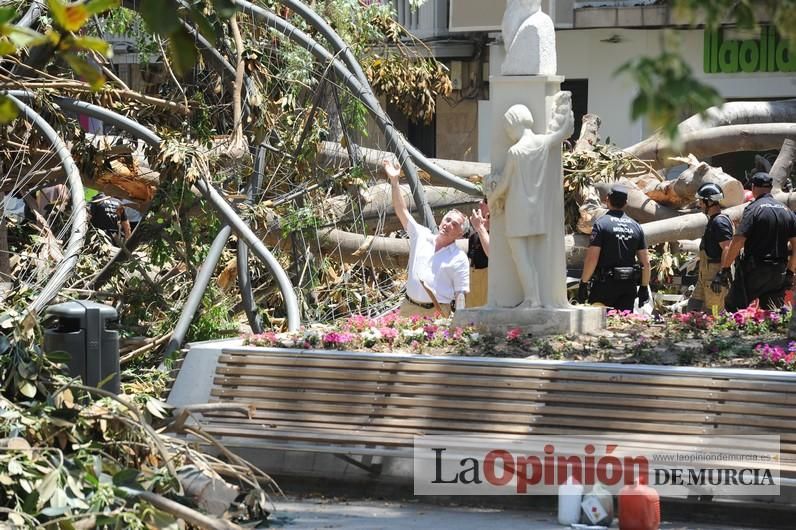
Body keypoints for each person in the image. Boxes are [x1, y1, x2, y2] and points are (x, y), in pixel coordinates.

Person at [485, 93, 573, 308]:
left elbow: (505, 184)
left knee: (521, 256)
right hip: (536, 211)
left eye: (507, 127)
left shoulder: (515, 151)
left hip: (516, 209)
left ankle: (532, 298)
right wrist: (565, 105)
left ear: (514, 123)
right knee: (533, 256)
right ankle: (536, 297)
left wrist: (491, 198)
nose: (507, 131)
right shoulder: (542, 143)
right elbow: (564, 132)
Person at [384, 160, 469, 317]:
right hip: (408, 308)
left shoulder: (459, 257)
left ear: (460, 234)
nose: (448, 225)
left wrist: (460, 320)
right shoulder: (421, 235)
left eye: (455, 225)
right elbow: (401, 210)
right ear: (441, 220)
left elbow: (461, 293)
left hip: (437, 312)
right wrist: (394, 181)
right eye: (448, 220)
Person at [718, 172, 796, 311]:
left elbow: (738, 242)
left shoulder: (753, 209)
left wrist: (725, 268)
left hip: (755, 271)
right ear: (770, 188)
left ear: (753, 188)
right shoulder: (787, 211)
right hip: (779, 272)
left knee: (733, 309)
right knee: (772, 315)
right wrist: (790, 271)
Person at [577, 185, 651, 311]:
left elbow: (592, 258)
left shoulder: (601, 224)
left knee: (600, 324)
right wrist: (644, 287)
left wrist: (584, 283)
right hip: (628, 286)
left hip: (605, 286)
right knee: (623, 323)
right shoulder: (636, 226)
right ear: (626, 203)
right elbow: (646, 263)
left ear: (607, 199)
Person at [686, 183, 734, 313]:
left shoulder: (720, 222)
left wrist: (722, 274)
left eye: (701, 201)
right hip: (704, 277)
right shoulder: (713, 221)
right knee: (693, 308)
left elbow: (727, 248)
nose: (699, 205)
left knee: (713, 314)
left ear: (709, 202)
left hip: (714, 277)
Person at [466, 198, 490, 307]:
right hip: (473, 291)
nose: (480, 203)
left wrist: (480, 228)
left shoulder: (502, 230)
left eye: (486, 200)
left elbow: (492, 254)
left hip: (490, 293)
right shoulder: (474, 233)